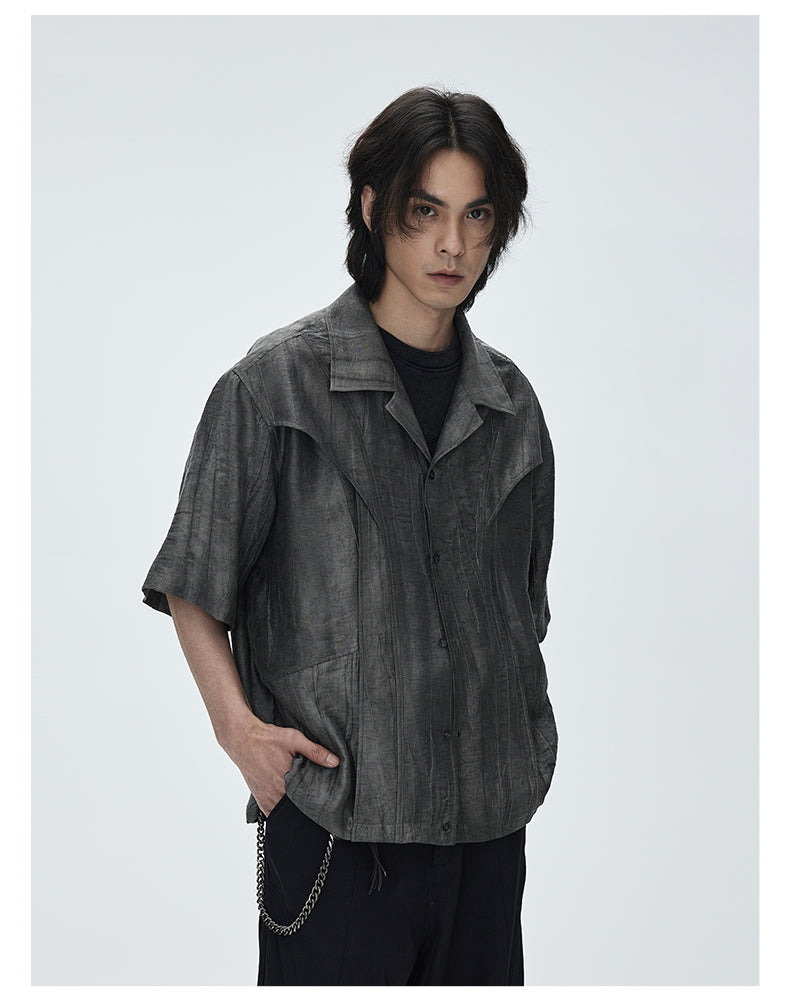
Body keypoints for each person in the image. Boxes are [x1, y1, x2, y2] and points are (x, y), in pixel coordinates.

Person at [141, 86, 557, 986]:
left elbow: (523, 607)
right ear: (374, 208)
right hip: (336, 834)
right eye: (425, 212)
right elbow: (193, 579)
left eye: (477, 215)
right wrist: (241, 736)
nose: (452, 246)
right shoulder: (272, 389)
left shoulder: (512, 408)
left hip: (489, 836)